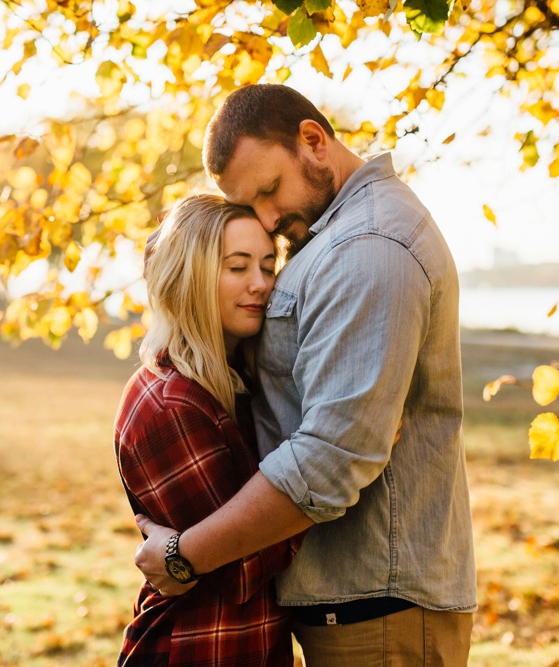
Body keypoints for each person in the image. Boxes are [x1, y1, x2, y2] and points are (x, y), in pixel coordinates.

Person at [133, 84, 477, 665]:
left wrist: (184, 555)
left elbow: (333, 456)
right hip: (351, 598)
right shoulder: (332, 235)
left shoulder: (368, 245)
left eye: (269, 190)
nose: (267, 219)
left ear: (313, 141)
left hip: (377, 606)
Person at [113, 193, 302, 666]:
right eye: (237, 267)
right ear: (190, 276)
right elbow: (241, 566)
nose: (261, 284)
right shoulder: (170, 404)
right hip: (194, 649)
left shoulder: (231, 383)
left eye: (267, 265)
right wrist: (342, 460)